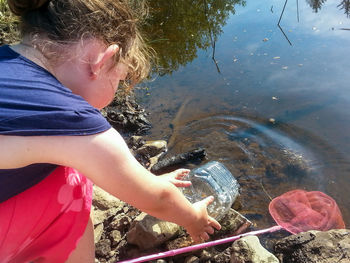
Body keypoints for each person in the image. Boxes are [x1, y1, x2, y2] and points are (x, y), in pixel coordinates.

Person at [0, 0, 221, 262]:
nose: (118, 87)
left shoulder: (7, 60)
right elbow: (159, 198)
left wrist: (140, 178)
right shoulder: (71, 117)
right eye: (119, 79)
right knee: (73, 183)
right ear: (102, 61)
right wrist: (194, 218)